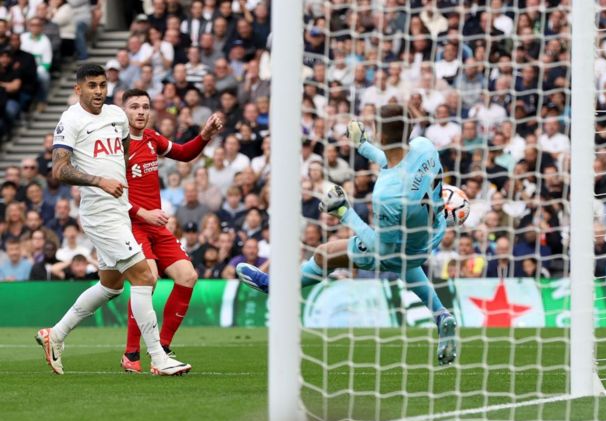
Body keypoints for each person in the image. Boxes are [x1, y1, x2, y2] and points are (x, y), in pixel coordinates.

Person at [237, 105, 458, 365]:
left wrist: (345, 213)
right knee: (405, 258)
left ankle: (275, 287)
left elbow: (382, 250)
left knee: (324, 255)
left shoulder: (387, 194)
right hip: (430, 233)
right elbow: (398, 161)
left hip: (401, 247)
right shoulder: (424, 146)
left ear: (383, 136)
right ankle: (441, 315)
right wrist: (363, 146)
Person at [35, 64, 191, 376]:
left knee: (111, 286)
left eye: (102, 85)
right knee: (145, 277)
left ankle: (56, 334)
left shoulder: (117, 115)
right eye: (91, 86)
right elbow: (59, 169)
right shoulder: (70, 119)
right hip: (100, 212)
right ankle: (158, 358)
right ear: (78, 89)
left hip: (119, 209)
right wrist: (99, 180)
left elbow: (122, 153)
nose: (98, 91)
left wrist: (121, 184)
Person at [121, 88, 223, 373]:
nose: (141, 112)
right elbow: (111, 194)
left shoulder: (152, 138)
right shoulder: (118, 145)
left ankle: (163, 348)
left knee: (188, 276)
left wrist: (204, 135)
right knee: (148, 279)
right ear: (123, 111)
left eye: (145, 106)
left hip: (157, 225)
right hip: (133, 224)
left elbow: (183, 153)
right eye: (134, 107)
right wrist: (143, 213)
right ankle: (131, 353)